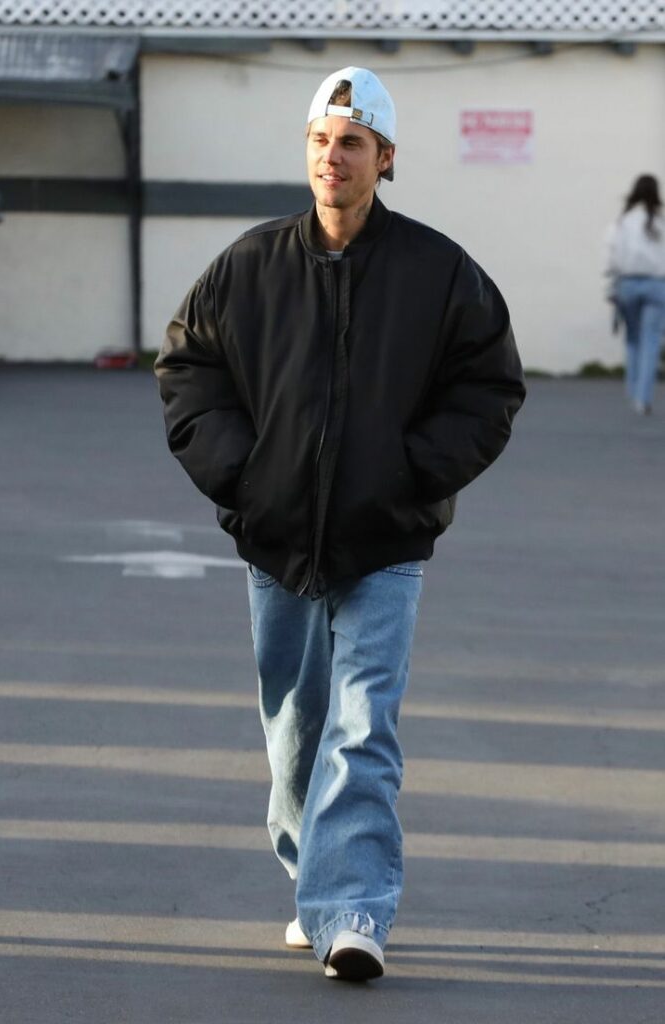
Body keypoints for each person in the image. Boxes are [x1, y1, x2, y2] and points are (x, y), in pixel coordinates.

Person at [155, 66, 525, 982]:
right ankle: (309, 875)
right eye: (321, 140)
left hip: (384, 539)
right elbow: (189, 369)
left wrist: (411, 477)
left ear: (385, 158)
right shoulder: (249, 265)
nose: (333, 157)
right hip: (278, 540)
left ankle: (352, 907)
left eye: (352, 143)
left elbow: (487, 386)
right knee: (295, 724)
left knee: (363, 723)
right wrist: (243, 480)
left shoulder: (438, 272)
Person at [606, 174, 665, 414]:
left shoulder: (624, 221)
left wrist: (611, 287)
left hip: (628, 285)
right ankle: (643, 398)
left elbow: (614, 257)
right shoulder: (660, 221)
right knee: (650, 341)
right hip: (656, 285)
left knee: (632, 339)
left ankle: (632, 391)